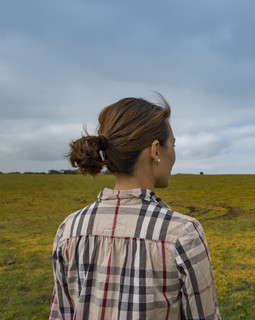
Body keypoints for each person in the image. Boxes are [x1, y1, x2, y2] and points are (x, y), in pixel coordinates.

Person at [49, 95, 221, 320]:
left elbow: (60, 315)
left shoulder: (70, 228)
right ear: (155, 150)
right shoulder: (183, 233)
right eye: (173, 145)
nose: (175, 154)